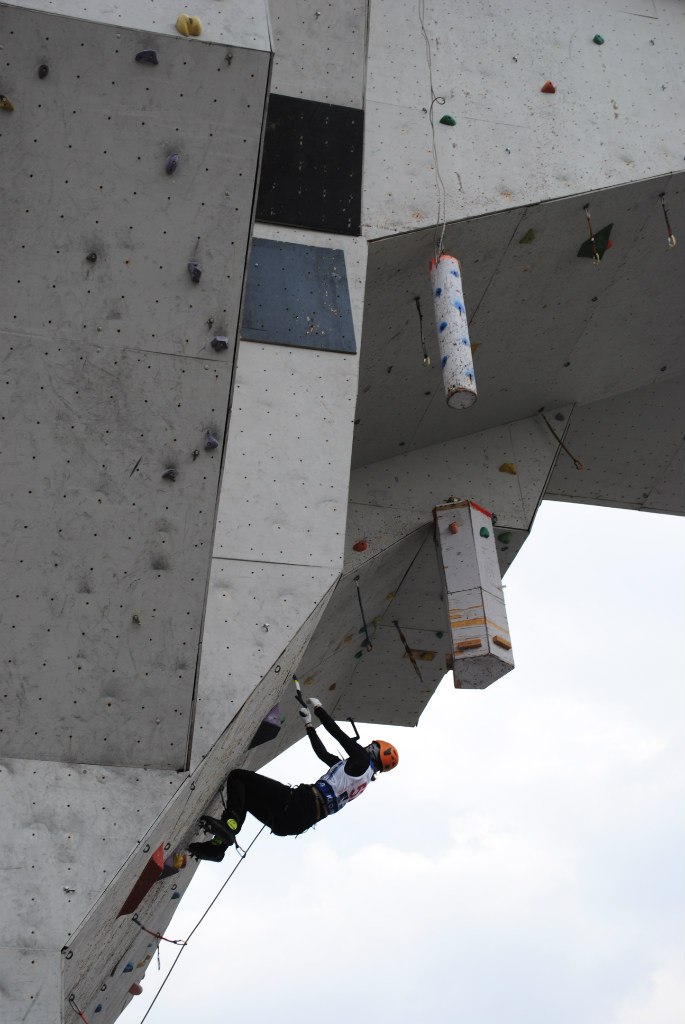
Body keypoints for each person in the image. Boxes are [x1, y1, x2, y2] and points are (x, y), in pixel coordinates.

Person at [189, 697, 399, 862]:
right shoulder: (358, 777)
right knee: (244, 795)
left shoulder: (362, 761)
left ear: (377, 754)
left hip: (299, 802)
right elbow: (324, 754)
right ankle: (218, 847)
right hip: (294, 823)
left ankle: (230, 826)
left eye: (372, 747)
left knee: (238, 777)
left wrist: (319, 710)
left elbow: (339, 735)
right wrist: (308, 725)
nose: (366, 748)